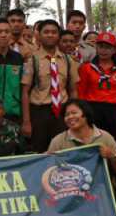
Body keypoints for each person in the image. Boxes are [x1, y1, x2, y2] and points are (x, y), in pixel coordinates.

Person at [20, 19, 78, 153]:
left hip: (62, 112)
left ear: (59, 35)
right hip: (39, 113)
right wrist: (27, 121)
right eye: (46, 32)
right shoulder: (31, 59)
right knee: (39, 152)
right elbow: (25, 92)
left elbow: (73, 90)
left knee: (63, 151)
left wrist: (74, 114)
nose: (50, 35)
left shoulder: (68, 60)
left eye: (54, 32)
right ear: (38, 35)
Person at [47, 100, 116, 180]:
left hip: (101, 190)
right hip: (70, 189)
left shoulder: (105, 137)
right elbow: (48, 172)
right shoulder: (58, 141)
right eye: (66, 115)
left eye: (74, 113)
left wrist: (112, 156)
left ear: (86, 114)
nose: (70, 117)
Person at [76, 33, 116, 142]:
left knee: (112, 144)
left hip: (113, 111)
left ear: (114, 50)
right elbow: (81, 93)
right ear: (96, 48)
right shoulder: (87, 68)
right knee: (91, 143)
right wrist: (82, 114)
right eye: (101, 47)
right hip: (92, 110)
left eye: (108, 47)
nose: (104, 50)